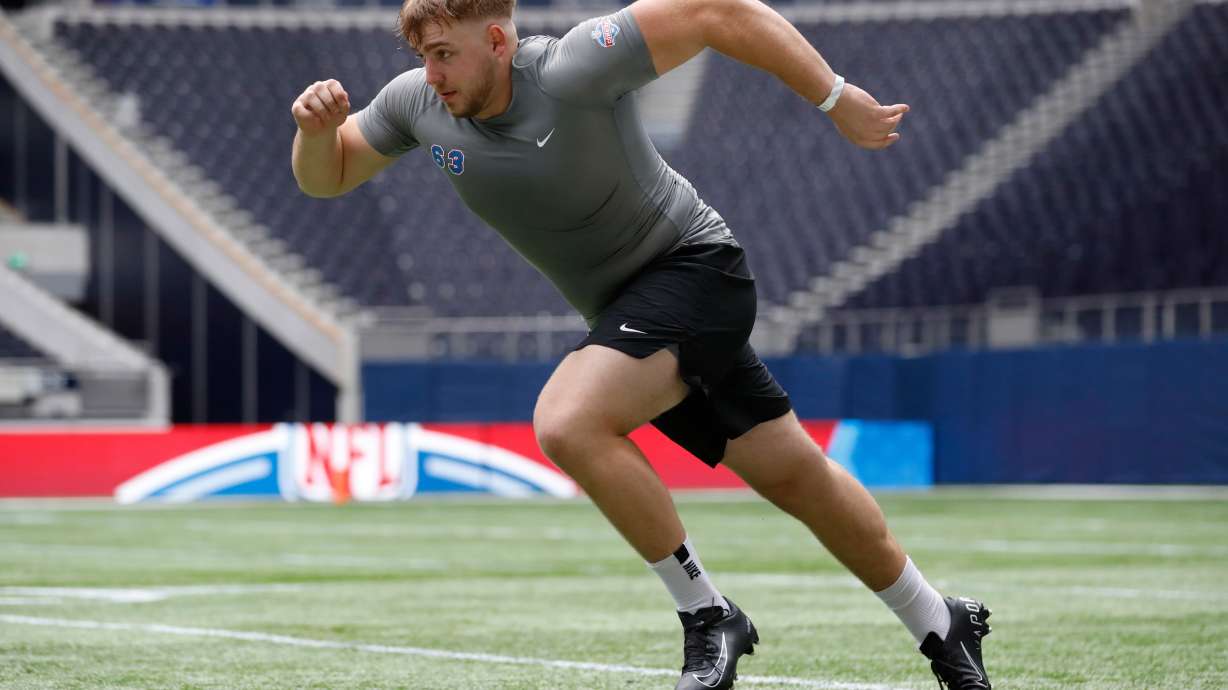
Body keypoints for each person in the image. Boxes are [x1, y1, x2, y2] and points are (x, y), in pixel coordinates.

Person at [290, 0, 993, 686]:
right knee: (796, 477)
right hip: (633, 313)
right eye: (423, 57)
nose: (432, 74)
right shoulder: (418, 102)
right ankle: (939, 621)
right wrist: (316, 132)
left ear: (499, 43)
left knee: (569, 422)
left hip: (696, 270)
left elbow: (721, 10)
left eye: (445, 55)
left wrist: (835, 97)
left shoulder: (573, 69)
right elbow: (330, 176)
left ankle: (707, 614)